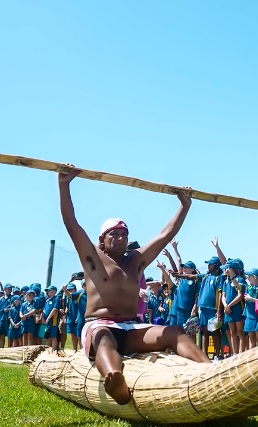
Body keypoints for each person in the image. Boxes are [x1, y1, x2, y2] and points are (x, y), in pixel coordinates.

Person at [57, 166, 210, 405]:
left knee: (174, 332)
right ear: (102, 240)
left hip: (131, 328)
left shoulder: (135, 261)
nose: (120, 238)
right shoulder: (93, 258)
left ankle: (208, 370)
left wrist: (184, 206)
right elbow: (71, 223)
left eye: (124, 234)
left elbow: (165, 235)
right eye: (114, 234)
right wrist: (64, 185)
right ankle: (114, 377)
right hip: (99, 326)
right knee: (104, 339)